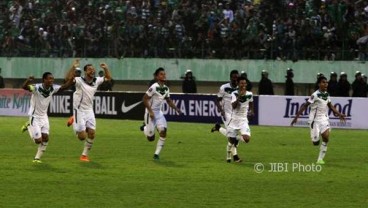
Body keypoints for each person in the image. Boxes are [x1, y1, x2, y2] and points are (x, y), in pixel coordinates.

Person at [21, 62, 75, 163]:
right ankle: (29, 126)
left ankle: (37, 158)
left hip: (44, 116)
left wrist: (72, 77)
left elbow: (65, 86)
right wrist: (28, 80)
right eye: (49, 78)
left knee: (46, 138)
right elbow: (24, 87)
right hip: (34, 116)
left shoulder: (53, 88)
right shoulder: (36, 87)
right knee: (38, 141)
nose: (52, 80)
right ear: (44, 79)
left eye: (52, 79)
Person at [291, 76, 346, 165]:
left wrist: (339, 114)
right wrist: (296, 117)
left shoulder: (327, 94)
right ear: (319, 84)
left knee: (326, 138)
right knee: (316, 143)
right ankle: (315, 138)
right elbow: (305, 105)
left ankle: (320, 159)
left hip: (324, 119)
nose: (326, 84)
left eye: (326, 82)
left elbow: (331, 106)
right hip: (314, 121)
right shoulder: (315, 95)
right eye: (323, 82)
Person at [69, 62, 112, 162]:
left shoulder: (96, 80)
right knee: (82, 137)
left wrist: (106, 68)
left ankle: (84, 155)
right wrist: (73, 68)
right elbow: (69, 79)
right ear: (85, 71)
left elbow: (108, 78)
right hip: (79, 110)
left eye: (93, 69)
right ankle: (75, 120)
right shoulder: (79, 80)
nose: (92, 70)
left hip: (89, 110)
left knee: (92, 133)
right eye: (89, 69)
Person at [141, 67, 182, 160]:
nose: (164, 75)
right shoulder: (154, 87)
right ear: (157, 76)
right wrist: (150, 111)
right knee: (151, 138)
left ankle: (156, 154)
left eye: (164, 74)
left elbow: (168, 100)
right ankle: (144, 128)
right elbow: (144, 99)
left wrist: (176, 109)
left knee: (163, 132)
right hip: (149, 113)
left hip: (158, 113)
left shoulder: (166, 89)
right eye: (161, 74)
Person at [211, 70, 243, 162]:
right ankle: (235, 156)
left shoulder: (240, 89)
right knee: (233, 137)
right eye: (233, 77)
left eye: (236, 77)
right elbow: (217, 99)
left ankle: (218, 128)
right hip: (227, 114)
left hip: (237, 115)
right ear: (230, 78)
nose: (235, 79)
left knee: (234, 137)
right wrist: (221, 109)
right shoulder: (224, 88)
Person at [226, 76, 254, 163]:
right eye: (241, 83)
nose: (243, 85)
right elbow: (234, 106)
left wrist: (252, 111)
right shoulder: (234, 93)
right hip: (234, 119)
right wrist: (239, 97)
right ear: (238, 84)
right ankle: (228, 155)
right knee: (231, 141)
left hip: (243, 120)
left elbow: (251, 103)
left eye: (244, 83)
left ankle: (237, 138)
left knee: (246, 139)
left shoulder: (249, 94)